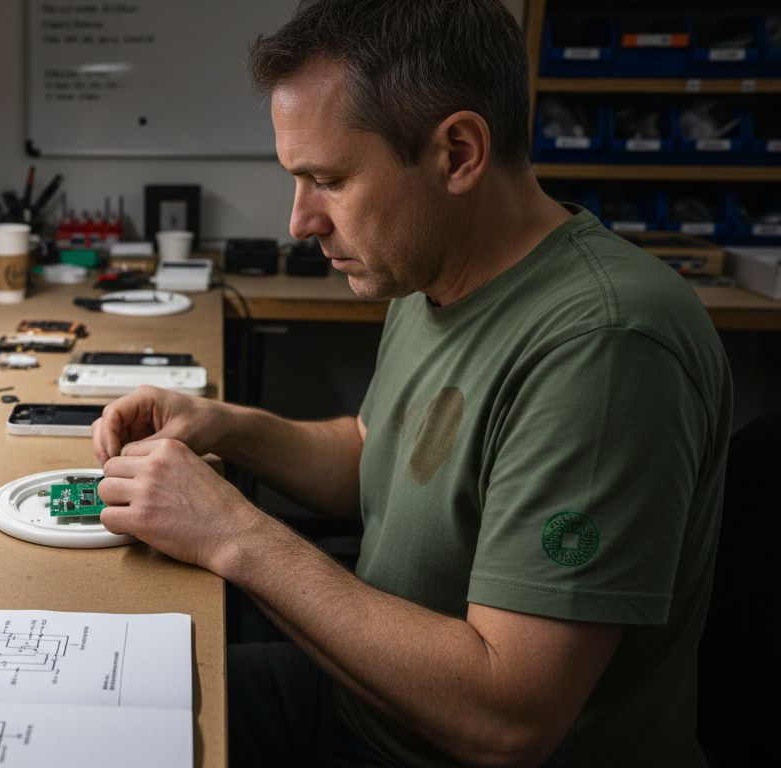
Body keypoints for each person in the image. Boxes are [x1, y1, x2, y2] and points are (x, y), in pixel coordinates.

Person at [91, 1, 732, 765]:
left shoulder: (606, 345)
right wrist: (225, 425)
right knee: (97, 710)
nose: (300, 221)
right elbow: (382, 458)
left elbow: (508, 721)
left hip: (439, 745)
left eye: (327, 179)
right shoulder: (432, 270)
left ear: (458, 153)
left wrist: (233, 534)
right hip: (369, 702)